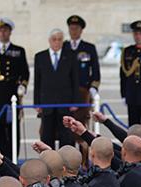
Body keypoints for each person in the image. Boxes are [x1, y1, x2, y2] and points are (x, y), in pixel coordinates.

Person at [0, 17, 29, 157]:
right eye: (0, 30)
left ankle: (13, 156)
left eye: (5, 30)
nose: (3, 33)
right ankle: (1, 157)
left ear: (10, 32)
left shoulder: (18, 51)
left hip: (12, 95)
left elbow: (25, 72)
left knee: (12, 129)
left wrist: (23, 86)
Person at [34, 28, 81, 149]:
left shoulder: (70, 56)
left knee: (67, 136)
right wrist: (37, 103)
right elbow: (37, 82)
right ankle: (49, 163)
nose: (57, 42)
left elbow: (75, 80)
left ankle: (67, 164)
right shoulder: (40, 57)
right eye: (54, 39)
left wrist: (75, 101)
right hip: (47, 103)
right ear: (49, 41)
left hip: (65, 103)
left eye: (59, 39)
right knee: (46, 135)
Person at [64, 15, 101, 151]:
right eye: (71, 28)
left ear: (81, 30)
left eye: (76, 28)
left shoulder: (89, 48)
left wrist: (93, 88)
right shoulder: (64, 47)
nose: (73, 31)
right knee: (67, 127)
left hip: (83, 93)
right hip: (66, 94)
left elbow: (95, 71)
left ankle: (84, 160)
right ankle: (69, 158)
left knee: (82, 126)